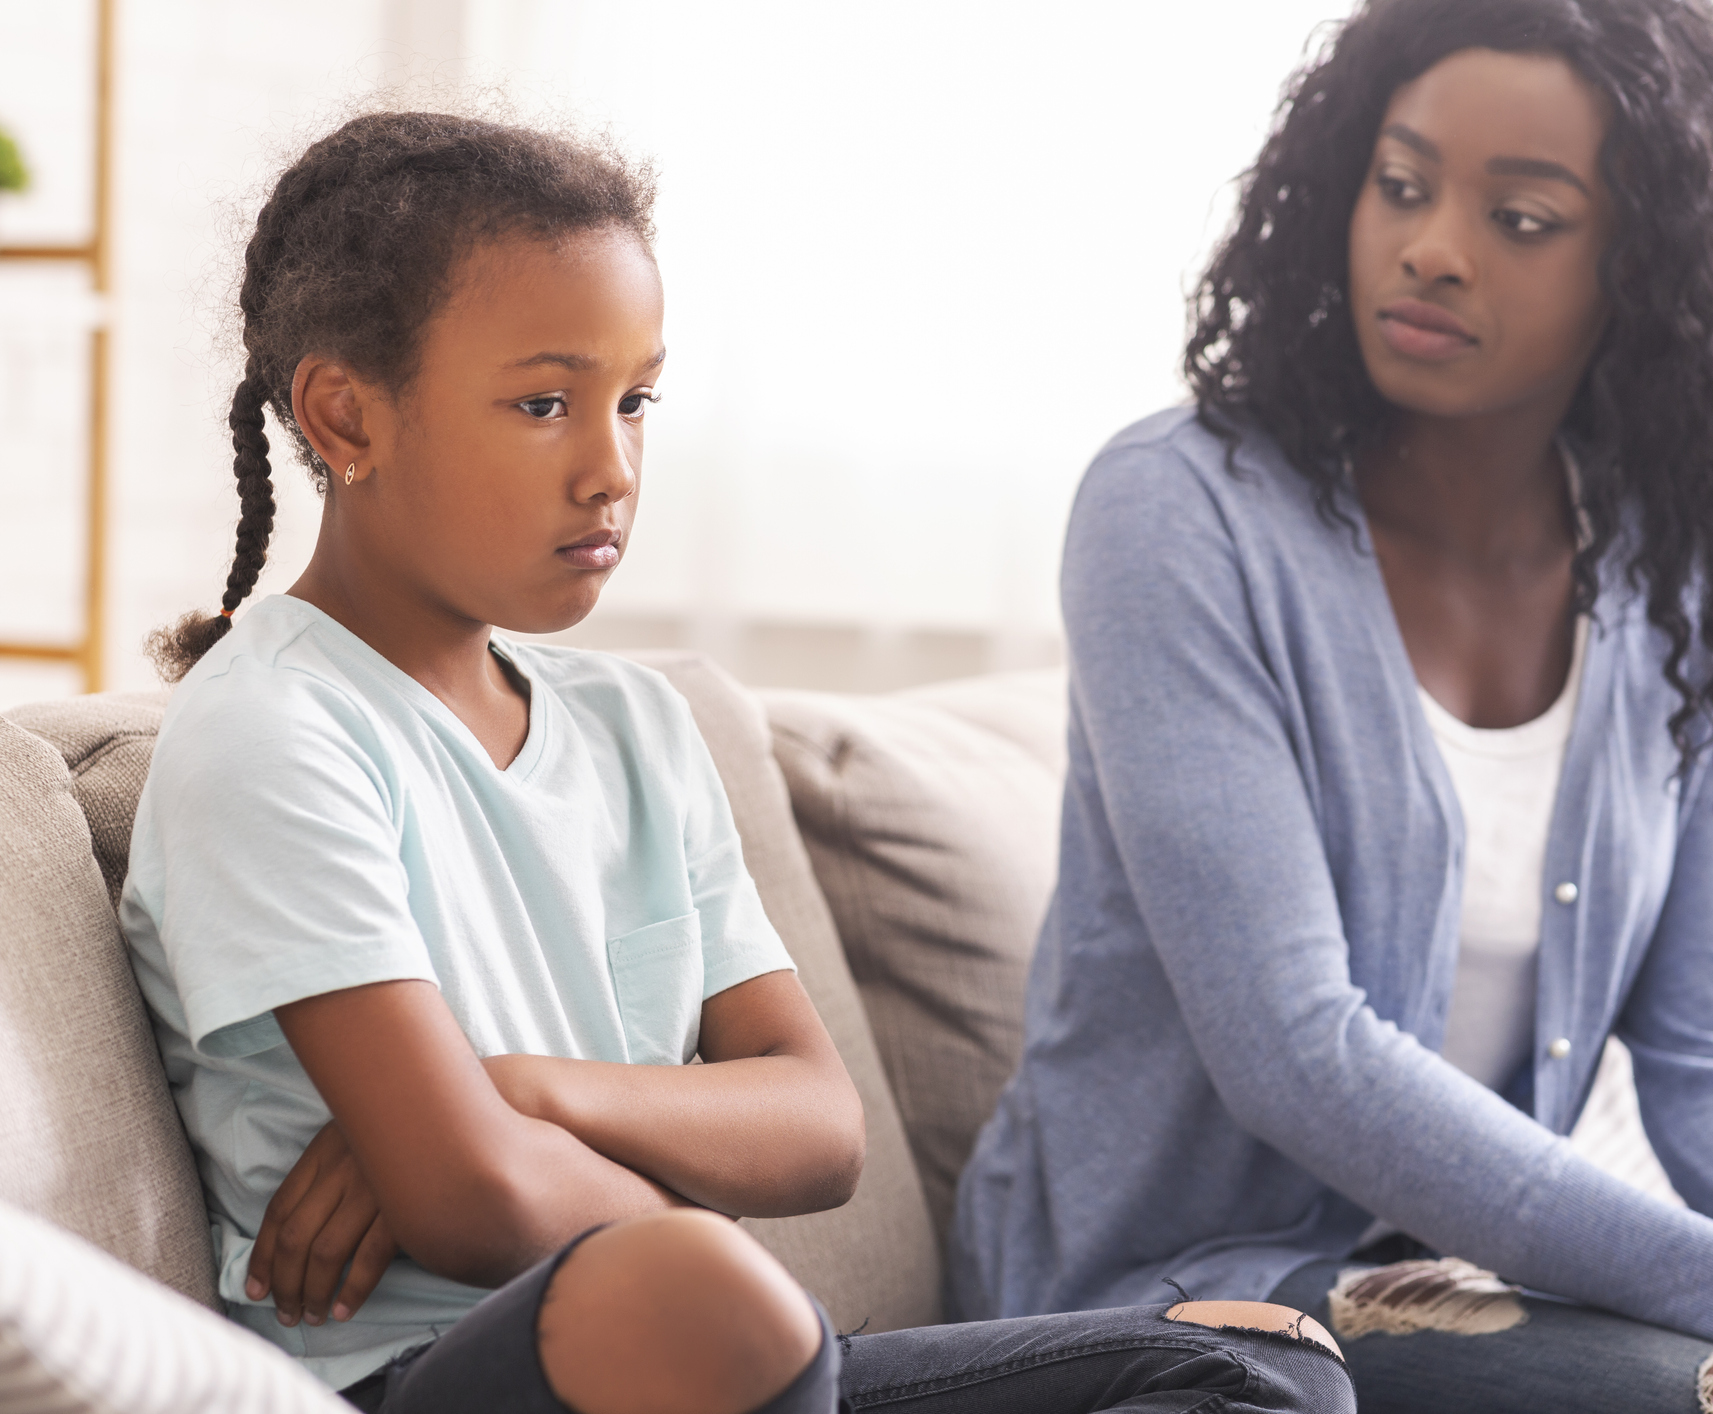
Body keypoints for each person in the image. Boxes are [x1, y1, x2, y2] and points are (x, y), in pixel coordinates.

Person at [948, 4, 1713, 1414]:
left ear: (1644, 267)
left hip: (1462, 1275)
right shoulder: (1179, 511)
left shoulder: (1674, 571)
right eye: (1401, 184)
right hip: (1178, 1288)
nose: (1433, 245)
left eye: (1520, 216)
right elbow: (1294, 1050)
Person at [122, 110, 1356, 1414]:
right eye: (544, 403)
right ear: (343, 414)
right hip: (436, 1374)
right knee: (692, 1282)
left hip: (739, 1363)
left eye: (635, 400)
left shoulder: (639, 727)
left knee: (1264, 1361)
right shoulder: (277, 733)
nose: (611, 469)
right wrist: (663, 1197)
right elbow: (473, 1195)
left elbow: (820, 1131)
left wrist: (518, 1086)